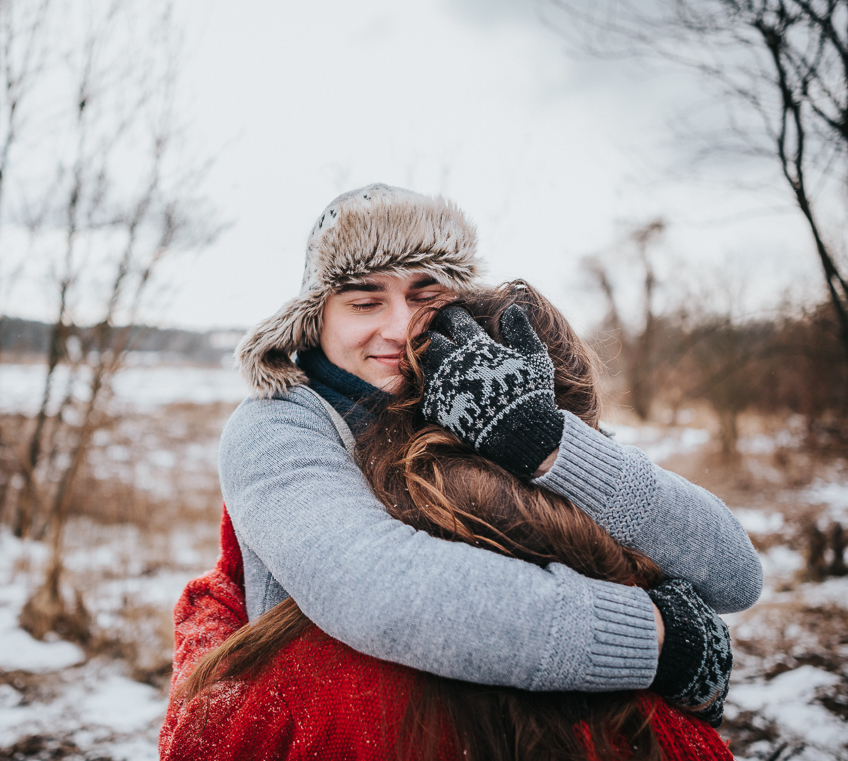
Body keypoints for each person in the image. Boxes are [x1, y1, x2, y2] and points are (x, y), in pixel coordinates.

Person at [159, 283, 737, 759]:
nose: (397, 327)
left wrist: (548, 445)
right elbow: (371, 586)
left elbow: (735, 574)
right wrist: (662, 639)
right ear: (314, 317)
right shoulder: (285, 424)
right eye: (365, 303)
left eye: (424, 296)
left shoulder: (477, 396)